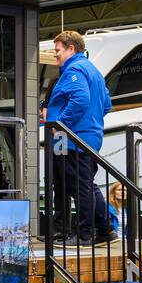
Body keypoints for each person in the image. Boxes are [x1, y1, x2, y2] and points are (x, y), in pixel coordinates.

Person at [44, 30, 113, 246]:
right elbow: (107, 105)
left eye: (57, 51)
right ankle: (104, 229)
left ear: (71, 48)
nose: (55, 55)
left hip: (69, 138)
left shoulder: (74, 69)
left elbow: (80, 99)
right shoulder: (93, 70)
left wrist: (60, 124)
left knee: (77, 186)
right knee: (80, 184)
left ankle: (84, 234)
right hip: (82, 138)